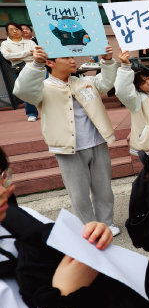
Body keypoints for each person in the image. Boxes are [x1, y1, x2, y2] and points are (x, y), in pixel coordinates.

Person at [0, 147, 149, 308]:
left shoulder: (18, 216)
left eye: (1, 176)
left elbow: (60, 248)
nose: (3, 190)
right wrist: (62, 295)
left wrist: (91, 235)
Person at [13, 45, 120, 235]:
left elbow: (106, 83)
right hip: (67, 147)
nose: (73, 61)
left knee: (103, 189)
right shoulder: (42, 88)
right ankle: (88, 227)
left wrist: (107, 61)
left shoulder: (84, 81)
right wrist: (35, 65)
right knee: (79, 194)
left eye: (72, 57)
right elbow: (23, 90)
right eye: (66, 58)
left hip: (97, 142)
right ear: (50, 63)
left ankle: (106, 224)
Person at [115, 51, 149, 156]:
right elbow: (122, 90)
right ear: (137, 86)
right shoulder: (136, 100)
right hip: (148, 144)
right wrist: (125, 67)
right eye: (143, 82)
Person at [1, 22, 38, 121]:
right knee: (25, 91)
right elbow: (8, 56)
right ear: (7, 32)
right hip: (19, 70)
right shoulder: (5, 44)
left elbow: (36, 54)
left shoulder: (30, 42)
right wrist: (28, 52)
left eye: (16, 29)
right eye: (11, 29)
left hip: (35, 67)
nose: (14, 31)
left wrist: (16, 55)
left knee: (45, 88)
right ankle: (32, 113)